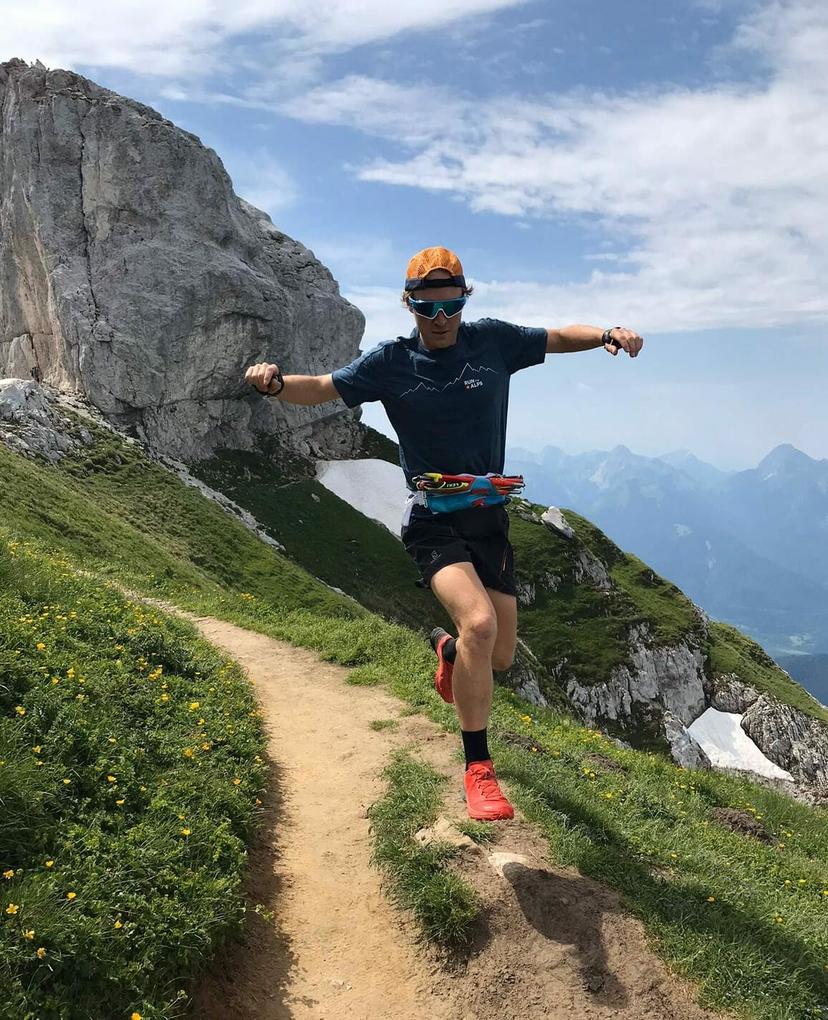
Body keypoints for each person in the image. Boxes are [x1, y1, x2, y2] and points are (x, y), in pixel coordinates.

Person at [244, 246, 644, 821]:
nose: (440, 320)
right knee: (480, 622)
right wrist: (277, 385)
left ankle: (449, 651)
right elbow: (325, 387)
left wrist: (606, 332)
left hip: (489, 517)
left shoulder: (494, 341)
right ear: (409, 305)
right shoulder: (391, 362)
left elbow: (558, 336)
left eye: (450, 306)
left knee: (498, 655)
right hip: (433, 518)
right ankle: (479, 770)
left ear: (465, 299)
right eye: (427, 308)